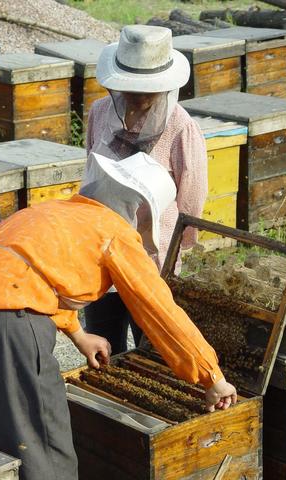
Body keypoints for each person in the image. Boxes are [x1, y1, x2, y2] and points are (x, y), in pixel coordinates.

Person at [0, 151, 237, 480]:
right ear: (139, 208)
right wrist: (212, 376)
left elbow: (31, 278)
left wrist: (77, 334)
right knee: (44, 455)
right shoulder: (114, 232)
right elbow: (159, 311)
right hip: (5, 329)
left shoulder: (51, 211)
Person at [84, 25, 209, 354]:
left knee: (153, 345)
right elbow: (92, 170)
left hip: (152, 258)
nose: (138, 99)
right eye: (131, 89)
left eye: (147, 90)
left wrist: (176, 254)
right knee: (103, 340)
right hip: (103, 251)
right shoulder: (99, 112)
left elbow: (192, 200)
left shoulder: (182, 127)